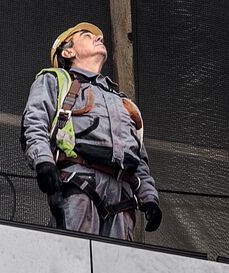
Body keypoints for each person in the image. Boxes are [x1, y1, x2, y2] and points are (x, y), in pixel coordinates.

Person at [20, 21, 162, 240]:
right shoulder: (54, 81)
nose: (99, 38)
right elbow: (34, 123)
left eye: (99, 38)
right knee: (76, 258)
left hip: (121, 198)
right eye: (87, 35)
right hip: (79, 184)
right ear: (68, 51)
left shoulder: (123, 103)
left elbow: (138, 157)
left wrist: (148, 197)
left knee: (117, 266)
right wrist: (44, 162)